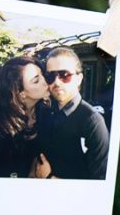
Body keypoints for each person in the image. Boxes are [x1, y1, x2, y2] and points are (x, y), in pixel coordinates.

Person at [35, 47, 109, 180]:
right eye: (51, 76)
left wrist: (49, 178)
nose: (57, 82)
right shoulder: (46, 112)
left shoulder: (92, 122)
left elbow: (98, 182)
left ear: (78, 79)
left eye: (65, 75)